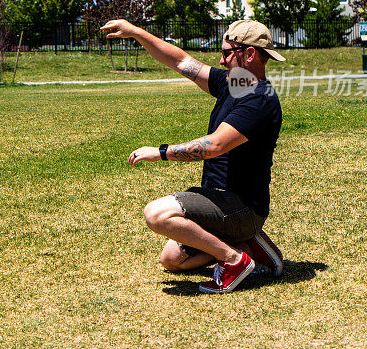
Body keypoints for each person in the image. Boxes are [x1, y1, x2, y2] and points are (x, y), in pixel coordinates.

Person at [100, 18, 285, 294]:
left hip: (241, 206)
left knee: (156, 214)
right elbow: (180, 61)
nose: (221, 61)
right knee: (172, 260)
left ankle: (235, 259)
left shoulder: (259, 99)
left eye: (226, 53)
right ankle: (246, 243)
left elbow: (214, 146)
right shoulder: (231, 83)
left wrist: (160, 152)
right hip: (218, 200)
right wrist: (135, 32)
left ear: (249, 54)